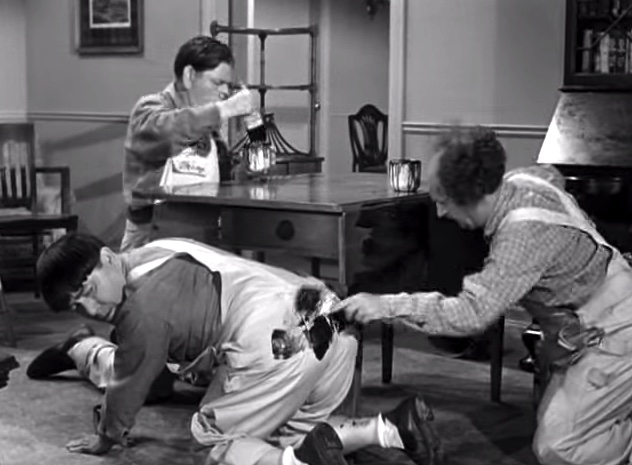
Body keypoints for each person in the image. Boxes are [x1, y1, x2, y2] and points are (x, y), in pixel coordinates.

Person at [335, 125, 632, 465]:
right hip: (589, 315)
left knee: (558, 447)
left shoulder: (521, 237)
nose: (441, 213)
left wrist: (386, 305)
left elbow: (471, 314)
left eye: (444, 202)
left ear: (472, 195)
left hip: (614, 329)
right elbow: (551, 175)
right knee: (559, 422)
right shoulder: (522, 182)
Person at [27, 233, 444, 465]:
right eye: (76, 305)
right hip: (329, 321)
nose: (91, 306)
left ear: (107, 258)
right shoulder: (158, 248)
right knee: (291, 435)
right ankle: (389, 429)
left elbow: (128, 383)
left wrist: (107, 437)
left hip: (276, 344)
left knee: (213, 446)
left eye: (87, 290)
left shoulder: (140, 313)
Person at [121, 35, 254, 252]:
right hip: (153, 242)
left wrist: (255, 128)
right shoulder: (150, 108)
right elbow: (169, 131)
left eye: (228, 86)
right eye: (217, 82)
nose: (224, 92)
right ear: (190, 75)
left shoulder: (211, 129)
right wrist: (226, 109)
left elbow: (229, 181)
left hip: (201, 238)